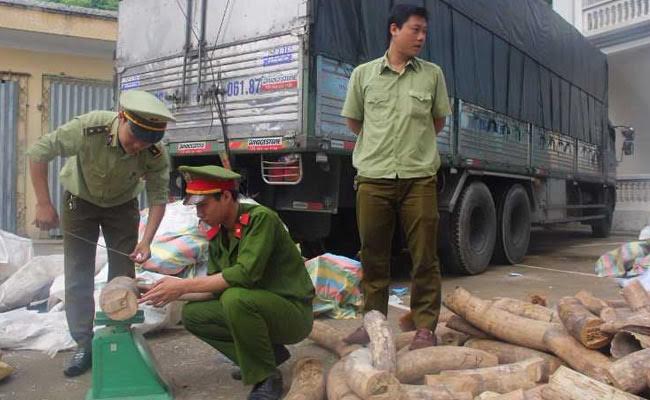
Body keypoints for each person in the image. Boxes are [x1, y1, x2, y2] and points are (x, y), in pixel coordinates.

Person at [26, 90, 174, 376]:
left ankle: (118, 335)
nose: (139, 146)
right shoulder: (89, 127)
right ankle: (84, 342)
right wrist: (43, 203)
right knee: (78, 272)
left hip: (122, 206)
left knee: (122, 273)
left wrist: (147, 240)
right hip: (79, 201)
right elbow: (38, 152)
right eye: (135, 137)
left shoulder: (154, 152)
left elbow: (158, 196)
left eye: (148, 141)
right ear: (122, 118)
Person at [139, 165, 315, 400]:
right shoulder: (219, 234)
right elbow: (213, 289)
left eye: (203, 205)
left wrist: (182, 285)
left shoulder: (260, 219)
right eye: (196, 207)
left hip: (293, 314)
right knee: (193, 315)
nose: (199, 213)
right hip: (260, 309)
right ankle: (263, 358)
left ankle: (266, 376)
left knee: (234, 298)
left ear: (225, 196)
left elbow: (243, 275)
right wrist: (164, 291)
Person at [340, 4, 451, 350]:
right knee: (373, 254)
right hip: (374, 178)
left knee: (424, 256)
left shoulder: (432, 75)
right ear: (394, 29)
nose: (421, 37)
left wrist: (412, 149)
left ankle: (424, 328)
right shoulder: (364, 75)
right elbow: (355, 123)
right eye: (415, 30)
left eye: (424, 32)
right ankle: (372, 322)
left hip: (419, 178)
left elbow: (437, 122)